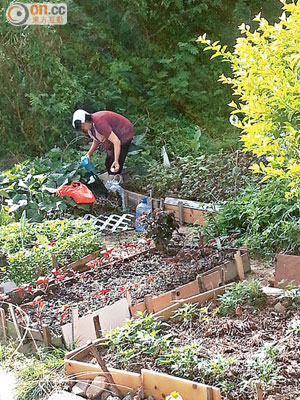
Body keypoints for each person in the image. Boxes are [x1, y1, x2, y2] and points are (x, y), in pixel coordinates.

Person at [72, 109, 135, 179]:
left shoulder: (99, 123)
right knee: (108, 163)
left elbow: (116, 141)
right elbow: (96, 140)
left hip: (124, 132)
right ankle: (113, 180)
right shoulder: (91, 127)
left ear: (86, 120)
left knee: (114, 165)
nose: (82, 128)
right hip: (114, 137)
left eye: (82, 126)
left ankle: (116, 183)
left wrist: (116, 161)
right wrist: (89, 154)